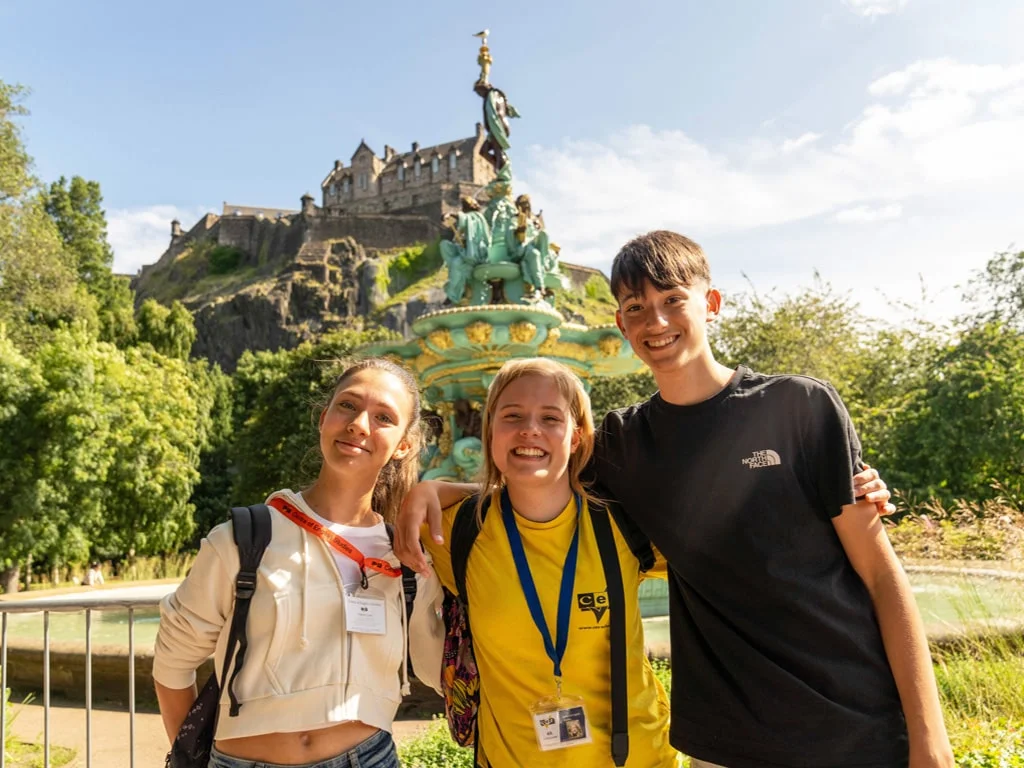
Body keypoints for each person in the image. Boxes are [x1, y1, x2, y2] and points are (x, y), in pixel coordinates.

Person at [394, 231, 950, 768]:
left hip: (849, 723)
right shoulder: (622, 444)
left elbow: (882, 576)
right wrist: (437, 487)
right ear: (619, 323)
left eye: (672, 300)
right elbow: (542, 478)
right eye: (635, 307)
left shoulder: (800, 408)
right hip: (722, 741)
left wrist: (930, 740)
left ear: (710, 303)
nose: (654, 321)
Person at [153, 358, 444, 768]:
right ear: (324, 418)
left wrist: (440, 489)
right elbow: (172, 664)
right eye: (347, 405)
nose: (360, 424)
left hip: (368, 759)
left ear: (404, 445)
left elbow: (437, 671)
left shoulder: (407, 557)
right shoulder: (244, 539)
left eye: (383, 417)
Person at [420, 357, 682, 767]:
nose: (530, 429)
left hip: (637, 759)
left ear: (576, 437)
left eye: (550, 418)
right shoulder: (453, 532)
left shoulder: (625, 524)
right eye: (512, 415)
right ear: (490, 430)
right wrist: (428, 491)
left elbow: (736, 563)